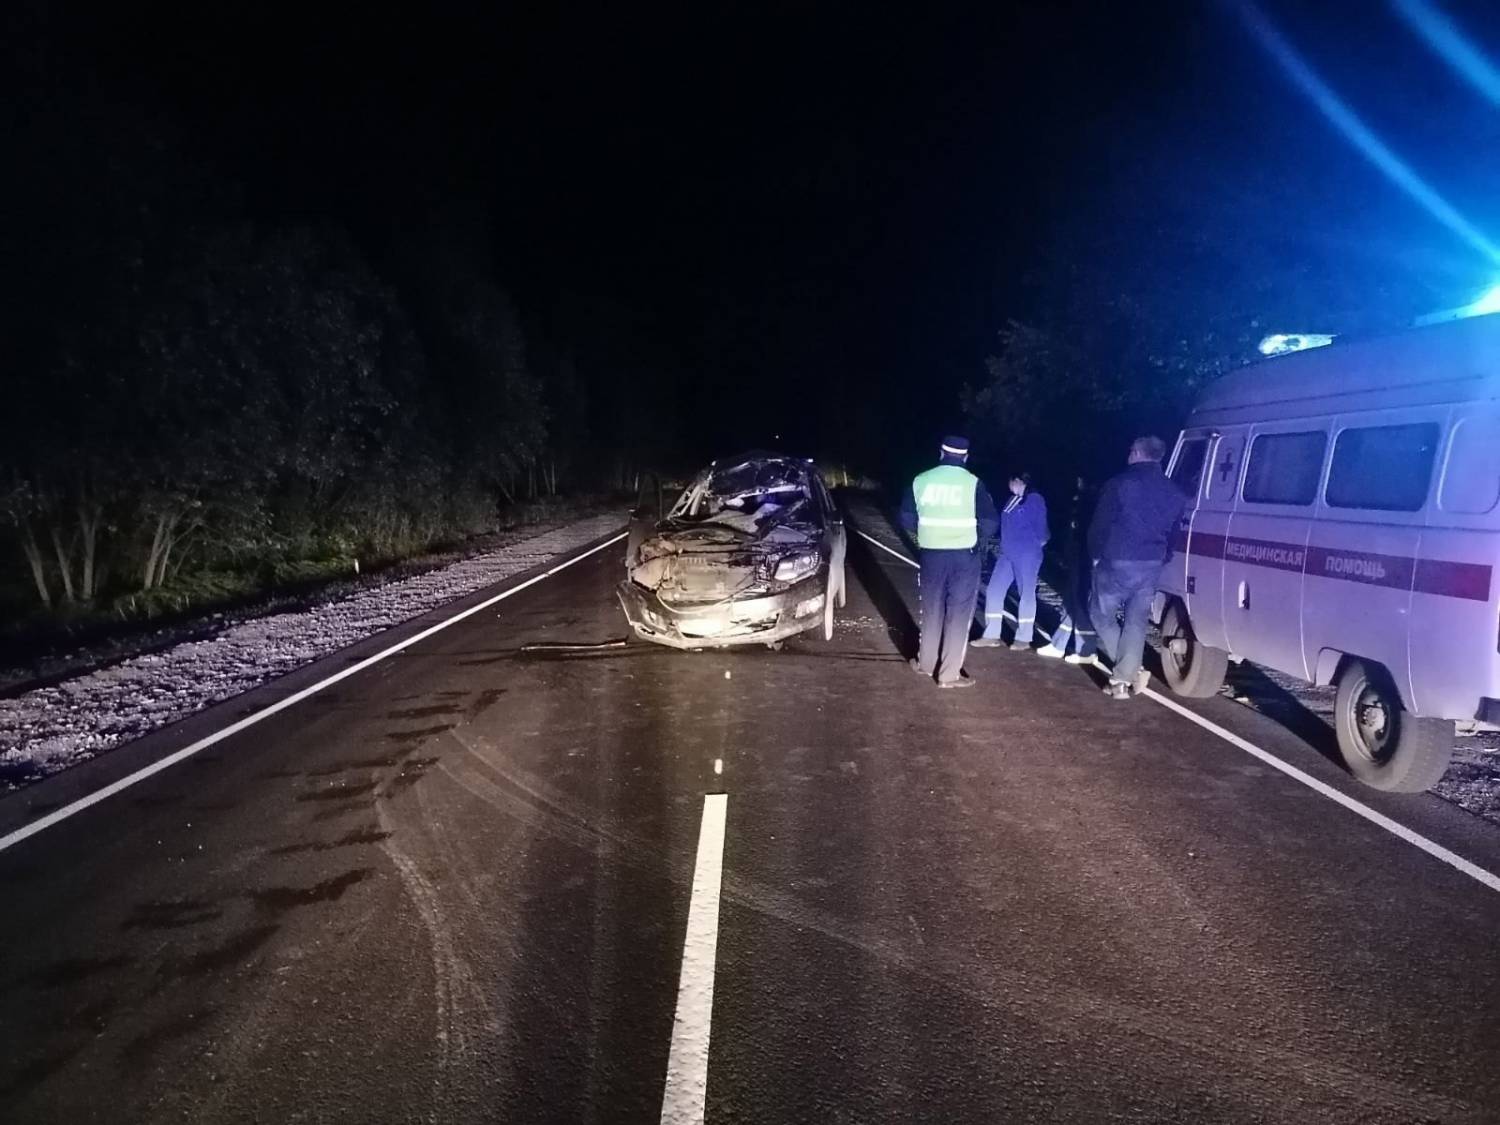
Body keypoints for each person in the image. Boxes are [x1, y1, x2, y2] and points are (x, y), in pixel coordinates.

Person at [1088, 435, 1187, 700]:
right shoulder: (1175, 493)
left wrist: (1095, 554)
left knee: (1100, 614)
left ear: (1136, 453)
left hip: (1116, 560)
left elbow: (1101, 523)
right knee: (1136, 621)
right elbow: (1176, 532)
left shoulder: (1119, 484)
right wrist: (1164, 556)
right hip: (1151, 563)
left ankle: (1129, 672)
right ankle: (1122, 679)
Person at [899, 435, 1000, 688]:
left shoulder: (920, 480)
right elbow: (990, 522)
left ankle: (925, 664)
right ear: (965, 457)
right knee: (959, 613)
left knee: (931, 609)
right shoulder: (973, 483)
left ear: (941, 453)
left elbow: (907, 519)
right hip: (964, 556)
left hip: (932, 554)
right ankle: (948, 675)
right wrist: (975, 540)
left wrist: (930, 533)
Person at [972, 472, 1048, 650]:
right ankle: (991, 634)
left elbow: (1042, 531)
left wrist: (1032, 547)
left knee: (1026, 593)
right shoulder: (1012, 500)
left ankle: (1024, 637)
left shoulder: (1035, 500)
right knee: (994, 590)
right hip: (1007, 554)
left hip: (1027, 554)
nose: (1009, 485)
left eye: (1011, 481)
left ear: (1020, 481)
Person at [1036, 475, 1098, 663]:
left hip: (1082, 560)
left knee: (1077, 603)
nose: (1077, 482)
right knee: (1070, 603)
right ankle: (1060, 645)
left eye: (1080, 479)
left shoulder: (1088, 504)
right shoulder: (1081, 502)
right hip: (1076, 559)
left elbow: (1080, 534)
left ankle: (1086, 651)